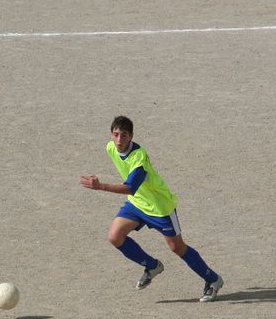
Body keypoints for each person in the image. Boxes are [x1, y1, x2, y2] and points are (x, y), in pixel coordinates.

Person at [80, 116, 224, 302]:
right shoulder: (110, 148)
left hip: (159, 207)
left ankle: (213, 280)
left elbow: (130, 187)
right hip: (137, 203)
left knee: (177, 247)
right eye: (115, 135)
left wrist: (101, 186)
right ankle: (152, 265)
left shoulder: (138, 158)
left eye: (124, 135)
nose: (119, 140)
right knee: (115, 237)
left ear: (131, 136)